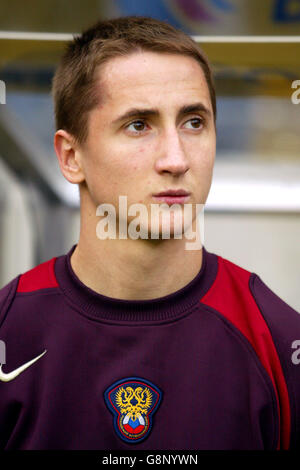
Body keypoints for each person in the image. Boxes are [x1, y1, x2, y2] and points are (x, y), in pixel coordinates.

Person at [0, 16, 299, 451]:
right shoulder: (10, 333)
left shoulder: (279, 340)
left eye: (194, 122)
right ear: (70, 156)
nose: (176, 159)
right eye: (139, 124)